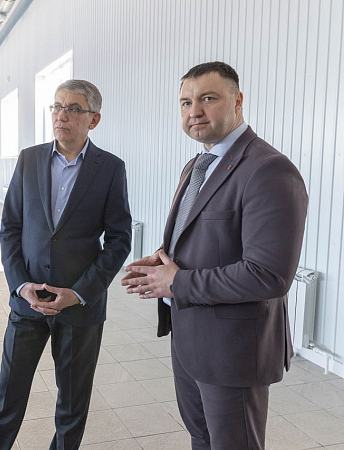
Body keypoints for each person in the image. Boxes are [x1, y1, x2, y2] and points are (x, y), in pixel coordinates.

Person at [121, 61, 308, 449]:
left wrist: (177, 282)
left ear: (237, 101)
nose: (194, 111)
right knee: (202, 439)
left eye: (208, 99)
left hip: (233, 351)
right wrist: (163, 259)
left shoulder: (269, 170)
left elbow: (268, 275)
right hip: (190, 340)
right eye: (186, 102)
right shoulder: (197, 165)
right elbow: (205, 238)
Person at [0, 79, 132, 449]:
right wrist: (21, 285)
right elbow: (10, 228)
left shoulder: (110, 168)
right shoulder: (29, 159)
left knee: (72, 406)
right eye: (57, 106)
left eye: (73, 109)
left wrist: (80, 293)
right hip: (28, 303)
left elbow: (119, 240)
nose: (61, 115)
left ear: (93, 119)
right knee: (7, 397)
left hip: (79, 307)